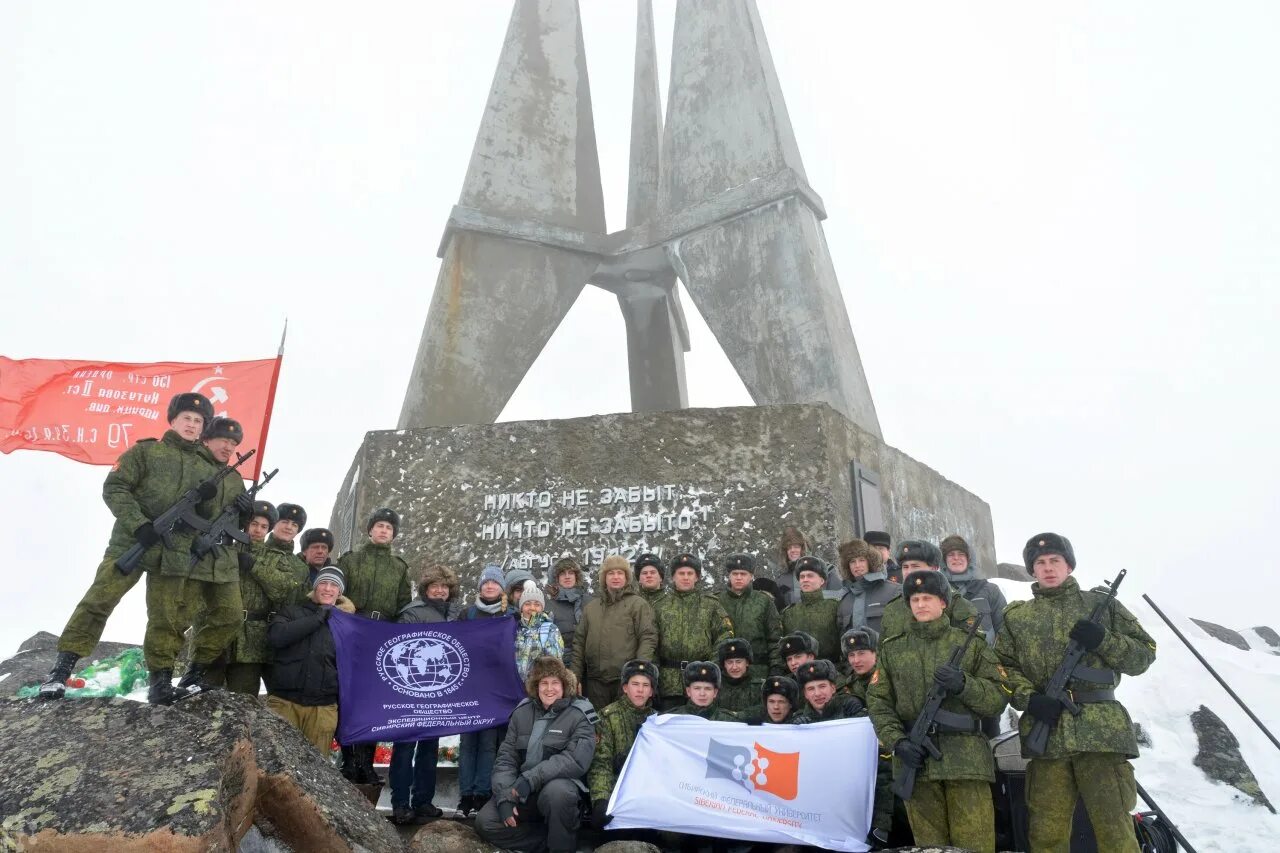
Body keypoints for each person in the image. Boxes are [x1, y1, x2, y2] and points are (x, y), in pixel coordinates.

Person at [40, 392, 216, 700]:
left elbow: (206, 518)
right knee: (98, 602)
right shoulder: (145, 452)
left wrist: (208, 497)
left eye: (198, 421)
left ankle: (160, 684)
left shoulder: (206, 468)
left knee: (167, 617)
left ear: (203, 428)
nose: (191, 424)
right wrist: (140, 524)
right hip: (132, 542)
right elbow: (115, 487)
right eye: (186, 418)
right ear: (172, 420)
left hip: (174, 552)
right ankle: (60, 672)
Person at [996, 533, 1157, 853]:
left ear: (1069, 565)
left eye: (1055, 560)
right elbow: (1001, 668)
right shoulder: (1017, 617)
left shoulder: (1101, 604)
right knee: (1045, 832)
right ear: (1032, 569)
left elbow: (1144, 655)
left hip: (1100, 733)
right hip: (1048, 736)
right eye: (1040, 563)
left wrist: (1104, 640)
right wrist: (1030, 699)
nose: (1048, 568)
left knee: (1115, 828)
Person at [867, 570, 1007, 853]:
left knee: (975, 846)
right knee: (929, 848)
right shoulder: (893, 649)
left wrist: (964, 684)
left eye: (927, 598)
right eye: (915, 599)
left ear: (944, 602)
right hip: (916, 764)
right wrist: (898, 742)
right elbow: (878, 702)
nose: (920, 604)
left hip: (966, 763)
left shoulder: (972, 645)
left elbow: (997, 699)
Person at [144, 414, 249, 703]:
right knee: (174, 617)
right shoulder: (191, 465)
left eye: (233, 443)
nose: (228, 447)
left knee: (229, 615)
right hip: (190, 551)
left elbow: (238, 525)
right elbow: (173, 503)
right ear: (206, 438)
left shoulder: (237, 479)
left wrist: (246, 510)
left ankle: (194, 673)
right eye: (223, 440)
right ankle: (160, 682)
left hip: (222, 559)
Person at [475, 656, 597, 853]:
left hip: (559, 787)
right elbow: (506, 759)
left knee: (558, 793)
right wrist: (505, 796)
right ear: (535, 686)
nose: (550, 689)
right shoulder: (521, 712)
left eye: (555, 683)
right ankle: (546, 842)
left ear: (565, 685)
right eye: (544, 683)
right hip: (523, 790)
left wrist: (529, 779)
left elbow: (575, 760)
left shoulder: (580, 713)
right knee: (485, 822)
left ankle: (561, 846)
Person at [199, 498, 308, 695]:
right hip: (218, 632)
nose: (258, 530)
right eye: (254, 524)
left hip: (252, 642)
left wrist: (254, 565)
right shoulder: (226, 547)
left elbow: (281, 589)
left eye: (264, 526)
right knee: (201, 695)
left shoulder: (275, 557)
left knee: (244, 700)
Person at [337, 506, 413, 783]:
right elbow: (336, 593)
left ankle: (366, 764)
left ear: (394, 535)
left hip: (383, 636)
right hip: (353, 631)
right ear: (370, 530)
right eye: (379, 525)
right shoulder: (351, 560)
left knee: (374, 701)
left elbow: (405, 606)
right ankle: (348, 760)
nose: (383, 530)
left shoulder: (399, 568)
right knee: (348, 697)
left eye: (389, 528)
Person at [389, 564, 463, 825]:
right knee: (405, 748)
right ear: (426, 589)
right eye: (435, 586)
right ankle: (400, 802)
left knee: (430, 748)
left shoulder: (455, 614)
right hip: (413, 689)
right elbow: (401, 650)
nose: (440, 591)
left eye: (444, 586)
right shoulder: (412, 614)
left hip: (439, 690)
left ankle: (423, 800)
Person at [264, 566, 355, 752]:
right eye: (323, 583)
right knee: (278, 766)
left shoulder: (348, 624)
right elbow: (277, 637)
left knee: (316, 771)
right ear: (315, 587)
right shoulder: (291, 612)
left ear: (340, 593)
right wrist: (318, 617)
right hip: (285, 703)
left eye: (334, 585)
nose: (328, 588)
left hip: (323, 709)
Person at [457, 564, 514, 817]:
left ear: (502, 588)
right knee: (468, 743)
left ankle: (482, 793)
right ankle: (465, 794)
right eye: (486, 582)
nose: (490, 586)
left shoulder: (510, 615)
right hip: (469, 688)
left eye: (495, 583)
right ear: (480, 586)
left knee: (489, 744)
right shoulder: (466, 614)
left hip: (495, 690)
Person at [570, 554, 658, 712]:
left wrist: (638, 672)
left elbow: (647, 638)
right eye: (611, 573)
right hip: (595, 683)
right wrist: (575, 677)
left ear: (626, 577)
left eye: (620, 573)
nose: (615, 577)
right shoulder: (591, 608)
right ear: (604, 578)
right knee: (597, 729)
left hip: (624, 682)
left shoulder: (638, 605)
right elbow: (579, 643)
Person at [838, 627, 897, 849]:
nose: (856, 660)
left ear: (875, 652)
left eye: (862, 653)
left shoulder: (890, 678)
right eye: (851, 655)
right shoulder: (847, 686)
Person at [652, 554, 734, 709]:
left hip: (702, 681)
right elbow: (651, 642)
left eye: (690, 573)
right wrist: (654, 676)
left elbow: (725, 635)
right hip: (668, 684)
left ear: (697, 577)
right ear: (673, 577)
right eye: (681, 573)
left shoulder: (710, 605)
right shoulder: (659, 606)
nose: (685, 577)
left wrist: (711, 666)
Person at [588, 659, 659, 833]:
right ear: (625, 688)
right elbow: (600, 764)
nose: (640, 690)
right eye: (635, 684)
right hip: (616, 794)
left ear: (652, 691)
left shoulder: (659, 722)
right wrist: (601, 799)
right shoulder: (607, 717)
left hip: (648, 795)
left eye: (646, 685)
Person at [878, 540, 979, 641]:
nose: (908, 572)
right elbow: (883, 649)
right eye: (905, 567)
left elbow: (973, 646)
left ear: (934, 569)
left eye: (915, 566)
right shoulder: (893, 608)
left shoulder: (955, 603)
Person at [715, 553, 782, 678]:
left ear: (751, 576)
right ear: (729, 576)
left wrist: (776, 668)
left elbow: (774, 639)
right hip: (725, 673)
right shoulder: (717, 601)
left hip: (757, 672)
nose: (739, 577)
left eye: (743, 574)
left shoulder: (764, 602)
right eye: (735, 574)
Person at [939, 535, 1007, 644]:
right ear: (944, 560)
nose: (956, 558)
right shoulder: (937, 591)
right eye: (951, 554)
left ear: (969, 559)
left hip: (987, 659)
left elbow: (1004, 630)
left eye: (961, 554)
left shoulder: (990, 590)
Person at [835, 538, 901, 637]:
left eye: (862, 560)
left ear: (870, 562)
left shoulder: (893, 591)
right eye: (852, 561)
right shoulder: (844, 599)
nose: (857, 565)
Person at [780, 556, 841, 662]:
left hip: (830, 669)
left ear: (822, 580)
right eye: (802, 577)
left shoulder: (835, 607)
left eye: (810, 576)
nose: (805, 580)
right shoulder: (789, 613)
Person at [545, 556, 591, 668]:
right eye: (562, 573)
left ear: (576, 576)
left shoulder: (590, 601)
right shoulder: (547, 605)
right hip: (560, 666)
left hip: (589, 666)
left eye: (571, 572)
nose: (567, 576)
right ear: (556, 578)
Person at [515, 581, 564, 680]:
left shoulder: (550, 629)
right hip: (515, 688)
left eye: (537, 604)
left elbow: (555, 665)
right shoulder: (515, 629)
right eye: (527, 604)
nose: (532, 608)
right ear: (521, 607)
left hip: (538, 689)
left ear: (542, 608)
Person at [793, 659, 864, 722]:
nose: (817, 693)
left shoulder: (850, 706)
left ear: (833, 688)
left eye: (822, 686)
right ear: (805, 694)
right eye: (811, 689)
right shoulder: (801, 718)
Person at [667, 661, 739, 721]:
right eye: (697, 688)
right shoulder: (672, 719)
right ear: (688, 691)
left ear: (715, 692)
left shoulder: (730, 720)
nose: (702, 694)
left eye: (708, 688)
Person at [713, 637, 762, 717]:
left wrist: (739, 715)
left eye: (738, 662)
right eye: (730, 662)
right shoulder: (715, 687)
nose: (734, 667)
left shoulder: (760, 687)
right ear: (724, 665)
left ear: (747, 663)